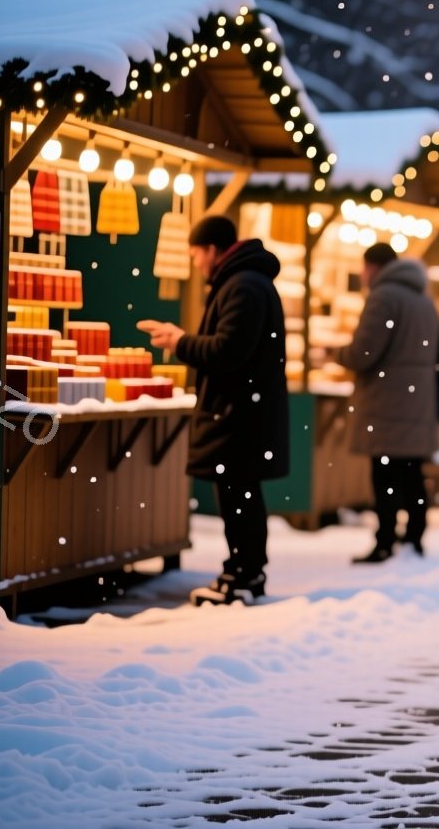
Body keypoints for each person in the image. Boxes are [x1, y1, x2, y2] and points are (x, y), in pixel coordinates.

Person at [141, 215, 288, 606]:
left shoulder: (243, 286)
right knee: (239, 494)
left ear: (211, 250)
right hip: (242, 413)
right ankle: (242, 571)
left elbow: (227, 352)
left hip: (238, 415)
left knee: (238, 495)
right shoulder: (246, 282)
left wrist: (180, 341)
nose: (195, 263)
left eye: (195, 254)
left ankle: (244, 574)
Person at [343, 243, 439, 563]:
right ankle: (414, 536)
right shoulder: (424, 300)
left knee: (384, 475)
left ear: (373, 267)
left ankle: (385, 540)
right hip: (416, 401)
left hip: (387, 403)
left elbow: (363, 353)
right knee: (412, 473)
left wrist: (339, 353)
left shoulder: (384, 297)